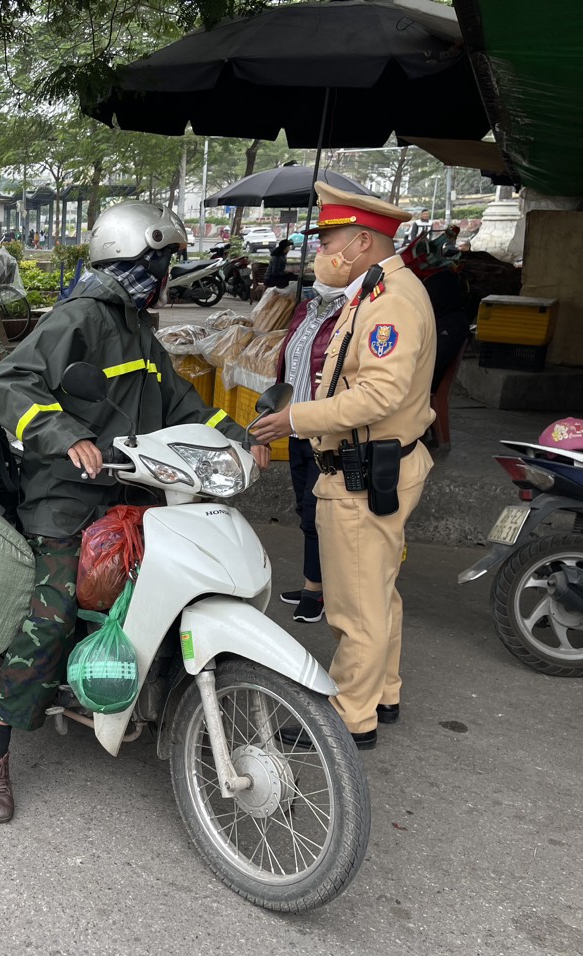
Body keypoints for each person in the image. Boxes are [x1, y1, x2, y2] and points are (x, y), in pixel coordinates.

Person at [0, 201, 270, 823]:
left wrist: (239, 438)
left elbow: (182, 402)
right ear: (132, 260)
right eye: (159, 262)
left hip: (131, 490)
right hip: (65, 497)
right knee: (51, 618)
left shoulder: (139, 329)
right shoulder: (77, 319)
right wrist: (63, 436)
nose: (165, 275)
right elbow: (13, 380)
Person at [252, 182, 436, 751]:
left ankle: (350, 715)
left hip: (362, 471)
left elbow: (378, 396)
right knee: (378, 589)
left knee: (355, 601)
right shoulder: (375, 289)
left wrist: (295, 420)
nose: (317, 253)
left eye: (325, 240)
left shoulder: (391, 303)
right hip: (374, 462)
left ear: (360, 243)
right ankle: (383, 690)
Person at [273, 281, 348, 624]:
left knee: (316, 511)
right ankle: (313, 583)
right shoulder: (306, 308)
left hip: (325, 430)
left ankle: (316, 590)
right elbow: (287, 366)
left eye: (330, 246)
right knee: (305, 510)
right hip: (296, 426)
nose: (325, 256)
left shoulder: (351, 312)